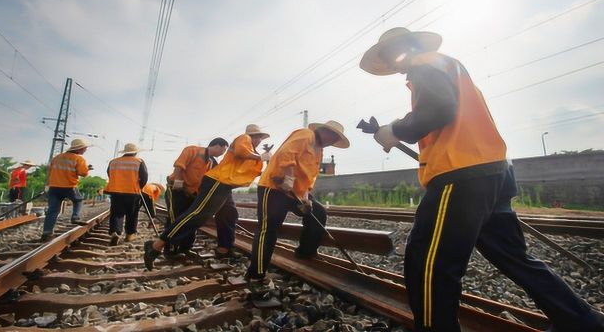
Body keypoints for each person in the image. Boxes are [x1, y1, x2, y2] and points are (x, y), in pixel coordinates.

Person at [359, 27, 604, 331]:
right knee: (513, 257)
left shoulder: (423, 64)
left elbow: (438, 109)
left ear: (400, 50)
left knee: (429, 264)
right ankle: (581, 321)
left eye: (388, 55)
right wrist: (397, 130)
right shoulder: (447, 66)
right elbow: (444, 112)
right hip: (494, 171)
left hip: (460, 177)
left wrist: (395, 130)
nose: (391, 63)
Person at [144, 124, 271, 270]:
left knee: (229, 213)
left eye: (260, 138)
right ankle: (155, 246)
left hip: (225, 185)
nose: (259, 140)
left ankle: (224, 249)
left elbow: (247, 172)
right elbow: (242, 151)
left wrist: (267, 162)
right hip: (218, 182)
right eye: (257, 137)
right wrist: (260, 156)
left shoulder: (241, 157)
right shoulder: (244, 139)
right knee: (197, 215)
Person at [245, 120, 350, 285]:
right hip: (275, 187)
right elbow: (286, 154)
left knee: (318, 212)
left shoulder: (319, 150)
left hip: (296, 193)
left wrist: (306, 199)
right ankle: (256, 273)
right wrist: (288, 177)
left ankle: (305, 252)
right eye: (333, 136)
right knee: (268, 229)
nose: (333, 141)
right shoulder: (306, 135)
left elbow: (310, 177)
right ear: (324, 131)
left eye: (336, 139)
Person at [164, 138, 229, 259]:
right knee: (175, 219)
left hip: (192, 194)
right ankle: (170, 250)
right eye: (223, 150)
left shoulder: (211, 163)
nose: (222, 153)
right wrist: (178, 182)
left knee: (190, 221)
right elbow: (179, 166)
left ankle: (185, 248)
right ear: (217, 146)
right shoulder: (192, 150)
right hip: (177, 190)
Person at [42, 139, 92, 241]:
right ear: (80, 148)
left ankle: (46, 233)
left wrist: (47, 186)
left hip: (54, 187)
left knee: (52, 210)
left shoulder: (57, 158)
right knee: (78, 200)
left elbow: (49, 171)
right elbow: (83, 173)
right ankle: (75, 217)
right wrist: (88, 169)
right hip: (69, 186)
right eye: (85, 148)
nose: (85, 150)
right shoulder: (78, 159)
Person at [104, 143, 148, 245]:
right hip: (132, 192)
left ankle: (115, 232)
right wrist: (139, 187)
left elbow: (109, 174)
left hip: (116, 191)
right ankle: (129, 235)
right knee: (132, 214)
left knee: (116, 213)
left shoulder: (113, 162)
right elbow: (144, 177)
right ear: (135, 152)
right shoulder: (139, 162)